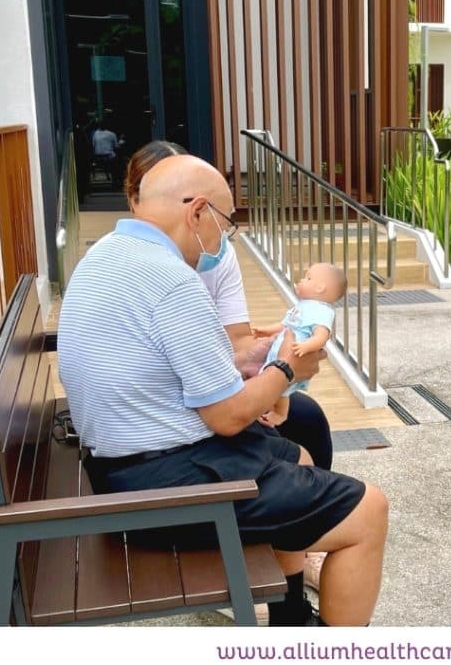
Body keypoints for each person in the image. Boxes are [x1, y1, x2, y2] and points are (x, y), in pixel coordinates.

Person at [57, 154, 388, 626]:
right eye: (225, 224)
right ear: (197, 212)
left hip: (124, 465)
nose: (223, 241)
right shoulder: (172, 280)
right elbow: (228, 416)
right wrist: (287, 369)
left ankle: (291, 617)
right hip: (162, 485)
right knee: (369, 510)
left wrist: (260, 361)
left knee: (298, 457)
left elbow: (172, 368)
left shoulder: (105, 255)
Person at [123, 141, 335, 471]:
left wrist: (265, 357)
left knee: (305, 418)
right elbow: (214, 408)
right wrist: (283, 371)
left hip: (201, 395)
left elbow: (236, 341)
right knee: (290, 450)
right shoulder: (157, 273)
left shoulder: (214, 254)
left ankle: (313, 490)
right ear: (136, 200)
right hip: (171, 420)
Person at [254, 262, 347, 428]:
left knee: (283, 389)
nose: (302, 280)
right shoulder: (302, 306)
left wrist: (306, 347)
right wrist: (266, 331)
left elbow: (322, 336)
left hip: (294, 354)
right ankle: (264, 408)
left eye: (308, 278)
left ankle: (280, 414)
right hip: (279, 351)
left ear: (320, 288)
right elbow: (284, 325)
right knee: (270, 382)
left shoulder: (322, 311)